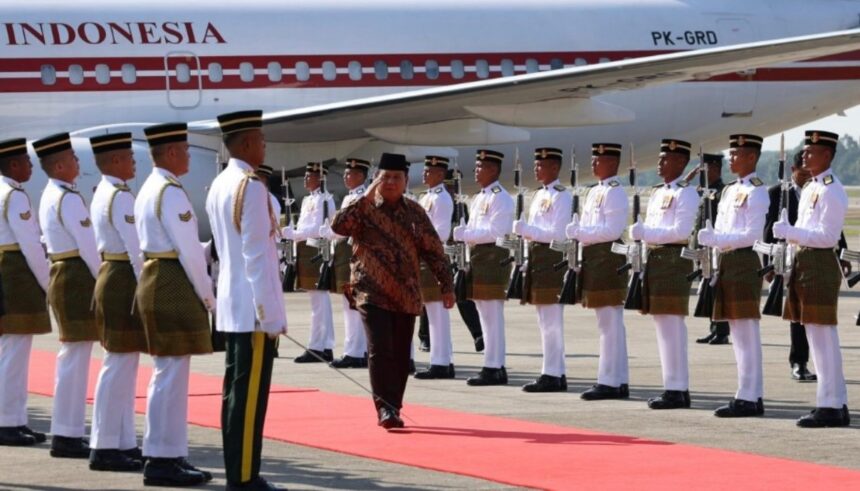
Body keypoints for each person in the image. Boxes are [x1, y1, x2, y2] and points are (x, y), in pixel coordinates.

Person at [331, 152, 454, 429]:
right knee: (379, 349)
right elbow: (338, 226)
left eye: (396, 178)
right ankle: (384, 408)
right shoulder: (363, 210)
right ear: (377, 180)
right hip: (370, 291)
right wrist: (366, 198)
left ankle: (394, 404)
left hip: (405, 293)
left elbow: (434, 251)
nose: (390, 183)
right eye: (385, 177)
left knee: (400, 353)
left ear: (405, 181)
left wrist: (447, 286)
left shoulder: (414, 212)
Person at [206, 110, 287, 490]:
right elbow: (256, 256)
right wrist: (269, 314)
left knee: (237, 395)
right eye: (261, 139)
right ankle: (243, 477)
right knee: (250, 398)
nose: (264, 146)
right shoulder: (251, 186)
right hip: (253, 311)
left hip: (233, 306)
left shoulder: (221, 182)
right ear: (247, 143)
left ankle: (240, 471)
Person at [136, 122, 214, 486]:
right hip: (172, 281)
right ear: (169, 152)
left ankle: (165, 454)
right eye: (183, 149)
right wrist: (208, 294)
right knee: (171, 375)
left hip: (157, 275)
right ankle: (164, 457)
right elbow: (188, 252)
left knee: (165, 374)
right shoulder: (170, 191)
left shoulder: (150, 188)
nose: (187, 155)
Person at [775, 130, 850, 428]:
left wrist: (789, 231)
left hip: (819, 262)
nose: (804, 156)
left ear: (827, 156)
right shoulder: (811, 187)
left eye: (810, 152)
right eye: (804, 152)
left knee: (823, 337)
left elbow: (828, 237)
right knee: (814, 336)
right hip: (804, 261)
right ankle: (832, 401)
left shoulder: (832, 189)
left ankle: (831, 404)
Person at [34, 132, 100, 458]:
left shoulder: (52, 193)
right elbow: (89, 247)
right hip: (76, 277)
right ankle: (67, 433)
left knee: (71, 358)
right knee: (75, 358)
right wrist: (103, 278)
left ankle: (67, 431)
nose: (78, 163)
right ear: (59, 165)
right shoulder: (69, 198)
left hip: (64, 272)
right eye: (73, 158)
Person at [764, 150, 851, 382]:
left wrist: (842, 255)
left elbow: (832, 231)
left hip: (816, 260)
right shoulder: (780, 192)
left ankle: (831, 397)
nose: (804, 169)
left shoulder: (826, 188)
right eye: (800, 170)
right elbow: (768, 231)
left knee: (820, 329)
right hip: (794, 259)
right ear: (793, 171)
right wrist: (771, 264)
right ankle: (800, 363)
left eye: (812, 153)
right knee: (801, 320)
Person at [698, 134, 769, 418]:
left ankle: (751, 395)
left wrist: (716, 237)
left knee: (746, 332)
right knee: (738, 332)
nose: (731, 159)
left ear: (751, 157)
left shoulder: (756, 191)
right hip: (727, 260)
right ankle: (746, 392)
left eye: (736, 154)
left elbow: (751, 235)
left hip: (742, 261)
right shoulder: (729, 190)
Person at [88, 132, 147, 471]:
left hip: (115, 274)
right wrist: (147, 286)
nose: (133, 161)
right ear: (114, 161)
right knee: (118, 365)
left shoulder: (105, 192)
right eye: (128, 156)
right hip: (123, 277)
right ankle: (105, 444)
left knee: (124, 365)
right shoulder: (120, 196)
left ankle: (121, 441)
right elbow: (136, 249)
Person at [629, 139, 698, 410]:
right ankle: (672, 385)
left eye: (664, 159)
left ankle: (677, 388)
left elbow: (681, 232)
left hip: (672, 259)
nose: (659, 163)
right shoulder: (659, 192)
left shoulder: (686, 193)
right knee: (662, 325)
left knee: (671, 326)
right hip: (656, 259)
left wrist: (645, 233)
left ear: (680, 162)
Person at [567, 143, 630, 400]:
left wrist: (580, 233)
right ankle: (618, 378)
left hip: (607, 258)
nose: (593, 164)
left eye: (598, 160)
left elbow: (612, 231)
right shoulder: (595, 191)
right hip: (595, 257)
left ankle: (609, 380)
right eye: (593, 159)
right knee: (609, 321)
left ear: (613, 164)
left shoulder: (614, 192)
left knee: (608, 322)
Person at [0, 138, 51, 447]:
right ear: (14, 165)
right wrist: (47, 282)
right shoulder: (14, 195)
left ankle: (14, 419)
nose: (31, 167)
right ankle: (8, 422)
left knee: (10, 352)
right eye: (27, 162)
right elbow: (31, 245)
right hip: (16, 275)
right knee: (15, 354)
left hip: (6, 271)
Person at [453, 150, 515, 386]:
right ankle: (491, 364)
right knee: (484, 314)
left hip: (492, 258)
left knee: (492, 316)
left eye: (481, 167)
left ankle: (495, 366)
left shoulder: (500, 197)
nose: (476, 171)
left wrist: (466, 234)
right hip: (479, 258)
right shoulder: (480, 197)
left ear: (493, 170)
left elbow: (496, 233)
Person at [514, 148, 571, 392]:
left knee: (551, 320)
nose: (536, 169)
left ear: (555, 168)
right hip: (538, 257)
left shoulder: (561, 196)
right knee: (544, 320)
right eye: (536, 165)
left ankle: (554, 373)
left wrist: (528, 231)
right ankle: (551, 371)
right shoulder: (539, 195)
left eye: (541, 165)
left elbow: (559, 234)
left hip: (552, 258)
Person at [418, 170, 485, 353]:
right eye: (449, 187)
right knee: (430, 297)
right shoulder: (434, 202)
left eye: (453, 187)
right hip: (437, 256)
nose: (451, 191)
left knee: (462, 296)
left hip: (455, 257)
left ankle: (478, 335)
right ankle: (425, 337)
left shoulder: (461, 207)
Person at [284, 162, 336, 363]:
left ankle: (322, 346)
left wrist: (295, 234)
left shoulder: (326, 200)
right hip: (305, 249)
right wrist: (293, 232)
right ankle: (320, 345)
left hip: (315, 248)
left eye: (310, 176)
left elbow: (318, 228)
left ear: (320, 178)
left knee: (320, 301)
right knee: (316, 302)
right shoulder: (307, 200)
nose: (306, 179)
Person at [414, 155, 456, 379]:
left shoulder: (441, 198)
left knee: (437, 312)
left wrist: (415, 238)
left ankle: (441, 362)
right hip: (423, 257)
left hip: (432, 258)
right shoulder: (427, 197)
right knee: (431, 310)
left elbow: (440, 233)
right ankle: (441, 360)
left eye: (429, 171)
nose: (424, 174)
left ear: (440, 174)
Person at [327, 158, 370, 369]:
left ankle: (355, 351)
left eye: (350, 173)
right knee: (348, 303)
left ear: (361, 176)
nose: (345, 177)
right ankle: (355, 349)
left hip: (355, 253)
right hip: (345, 252)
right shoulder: (349, 197)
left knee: (354, 304)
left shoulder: (362, 197)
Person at [690, 153, 731, 345]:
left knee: (718, 291)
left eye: (703, 170)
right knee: (708, 291)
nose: (699, 173)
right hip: (703, 249)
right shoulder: (704, 190)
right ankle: (714, 328)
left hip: (716, 248)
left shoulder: (722, 191)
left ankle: (722, 330)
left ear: (715, 169)